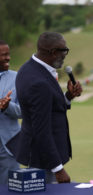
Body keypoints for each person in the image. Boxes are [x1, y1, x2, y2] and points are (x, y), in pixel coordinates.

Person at [8, 32, 82, 183]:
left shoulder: (27, 69)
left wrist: (67, 97)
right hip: (43, 159)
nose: (65, 55)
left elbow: (49, 106)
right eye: (64, 51)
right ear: (53, 52)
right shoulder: (39, 82)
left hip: (41, 155)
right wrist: (58, 169)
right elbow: (41, 130)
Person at [0, 40, 21, 184]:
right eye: (3, 55)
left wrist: (8, 107)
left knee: (10, 189)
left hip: (9, 147)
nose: (8, 58)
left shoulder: (17, 78)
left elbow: (24, 111)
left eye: (8, 54)